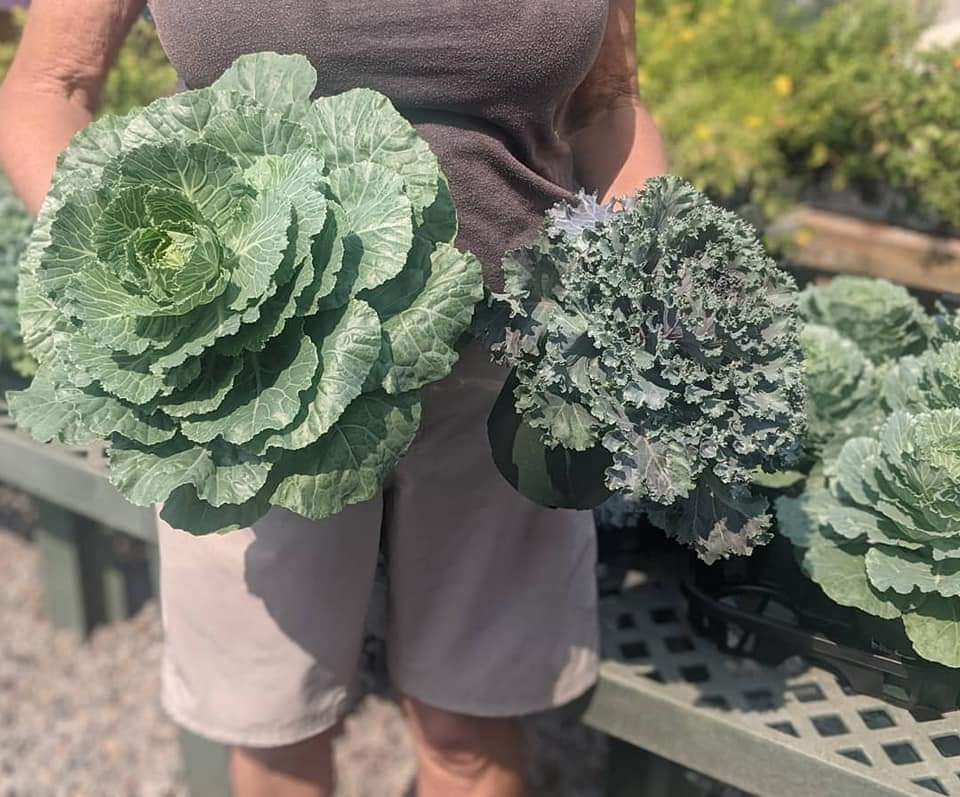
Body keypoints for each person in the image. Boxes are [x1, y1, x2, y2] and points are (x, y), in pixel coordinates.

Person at [0, 1, 667, 795]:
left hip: (508, 378)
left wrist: (645, 275)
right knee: (279, 729)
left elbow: (606, 105)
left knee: (470, 732)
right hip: (249, 391)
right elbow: (49, 84)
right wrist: (135, 284)